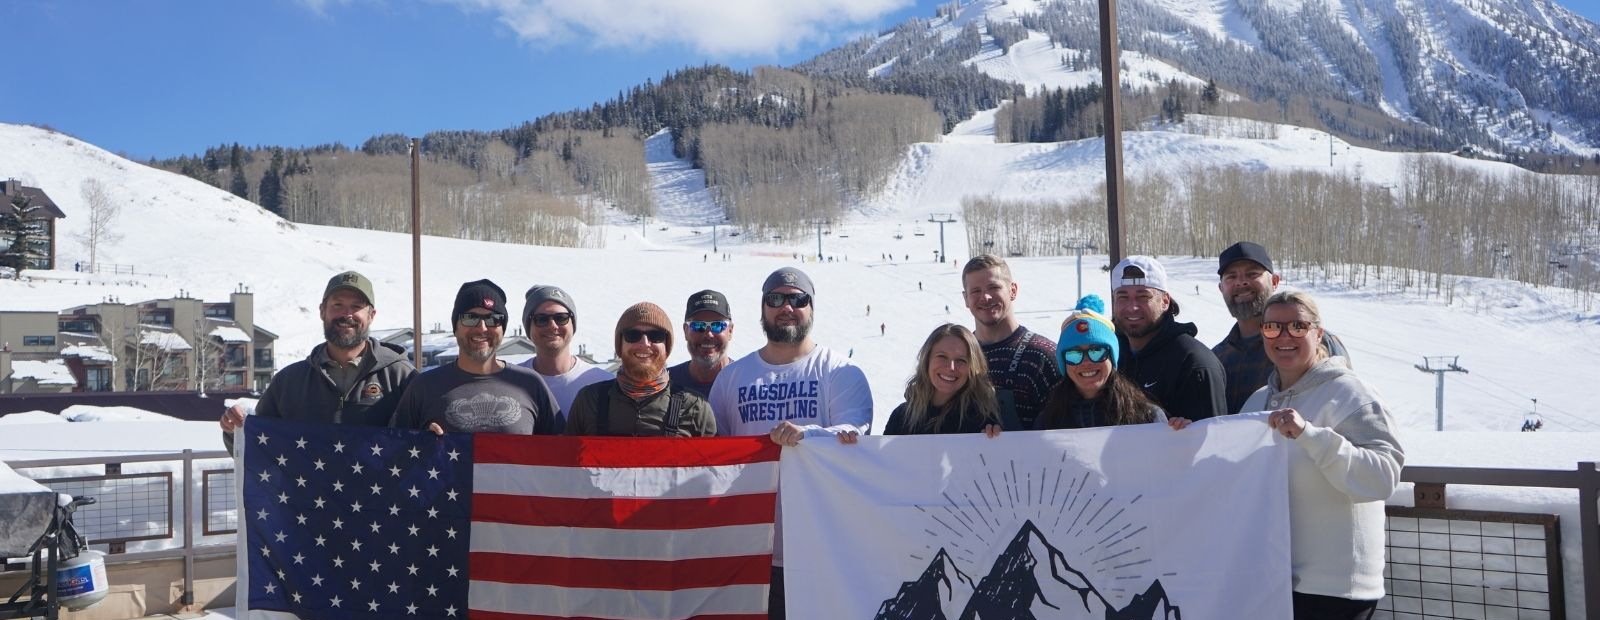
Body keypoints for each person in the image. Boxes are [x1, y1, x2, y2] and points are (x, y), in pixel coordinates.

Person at [706, 266, 872, 620]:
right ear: (763, 307)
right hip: (749, 549)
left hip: (820, 548)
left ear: (812, 307)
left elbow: (855, 432)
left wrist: (808, 436)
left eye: (798, 299)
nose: (787, 307)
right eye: (775, 299)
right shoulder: (732, 378)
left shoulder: (840, 371)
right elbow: (711, 454)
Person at [1245, 290, 1402, 620]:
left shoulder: (1351, 394)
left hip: (1335, 590)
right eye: (1273, 327)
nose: (1284, 336)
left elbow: (1382, 477)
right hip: (1272, 579)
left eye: (1298, 327)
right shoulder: (1257, 401)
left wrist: (1310, 436)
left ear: (1318, 332)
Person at [219, 271, 415, 452]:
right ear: (322, 311)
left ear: (371, 316)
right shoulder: (288, 382)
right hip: (307, 491)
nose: (347, 314)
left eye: (356, 307)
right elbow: (257, 446)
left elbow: (425, 440)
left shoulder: (401, 376)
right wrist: (233, 430)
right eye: (337, 305)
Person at [390, 279, 561, 435]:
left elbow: (563, 456)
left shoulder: (530, 384)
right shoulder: (423, 387)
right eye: (470, 318)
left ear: (503, 329)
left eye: (493, 319)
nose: (482, 328)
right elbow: (392, 453)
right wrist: (419, 442)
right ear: (455, 327)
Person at [1212, 242, 1351, 414]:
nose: (1241, 282)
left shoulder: (1313, 342)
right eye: (1231, 277)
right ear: (1221, 288)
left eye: (1252, 274)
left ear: (1275, 281)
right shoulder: (1218, 358)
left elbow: (1346, 403)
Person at [566, 303, 716, 437]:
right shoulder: (589, 401)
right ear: (620, 345)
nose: (644, 343)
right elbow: (565, 464)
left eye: (655, 336)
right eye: (633, 335)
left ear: (666, 346)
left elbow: (715, 466)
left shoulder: (695, 407)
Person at [1036, 295, 1181, 430]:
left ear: (1112, 357)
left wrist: (1181, 434)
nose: (1086, 362)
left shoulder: (1146, 416)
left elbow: (1169, 454)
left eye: (1097, 351)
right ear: (1064, 363)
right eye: (1075, 354)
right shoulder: (1048, 421)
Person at [1109, 256, 1227, 421]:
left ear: (1165, 301)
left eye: (1143, 296)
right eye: (1123, 297)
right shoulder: (1109, 355)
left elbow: (1211, 439)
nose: (1132, 307)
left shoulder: (1193, 362)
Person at [960, 254, 1057, 430]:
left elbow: (1064, 433)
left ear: (1012, 290)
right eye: (975, 291)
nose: (985, 297)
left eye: (993, 287)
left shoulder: (1043, 357)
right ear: (966, 298)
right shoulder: (958, 358)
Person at [884, 324, 1007, 436]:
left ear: (972, 368)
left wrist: (994, 441)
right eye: (942, 357)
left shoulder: (981, 420)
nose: (951, 368)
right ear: (927, 360)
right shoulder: (901, 417)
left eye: (961, 360)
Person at [520, 284, 613, 414]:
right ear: (529, 328)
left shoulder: (604, 383)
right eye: (541, 319)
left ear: (573, 324)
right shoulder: (512, 381)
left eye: (561, 318)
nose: (552, 326)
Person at [666, 290, 734, 400]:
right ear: (685, 331)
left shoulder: (745, 382)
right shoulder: (666, 383)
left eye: (717, 325)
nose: (709, 334)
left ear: (730, 331)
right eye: (698, 325)